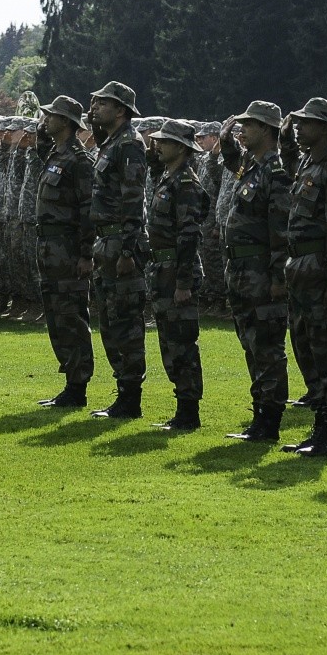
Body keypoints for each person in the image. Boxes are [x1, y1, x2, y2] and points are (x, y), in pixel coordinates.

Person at [280, 97, 327, 458]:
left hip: (321, 270)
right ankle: (320, 426)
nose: (298, 127)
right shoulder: (308, 163)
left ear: (325, 128)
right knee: (306, 346)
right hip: (301, 269)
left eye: (306, 122)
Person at [218, 101, 293, 442]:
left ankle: (271, 419)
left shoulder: (276, 173)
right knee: (251, 343)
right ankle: (260, 414)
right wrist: (226, 144)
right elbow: (234, 163)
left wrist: (279, 278)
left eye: (248, 125)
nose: (242, 129)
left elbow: (280, 230)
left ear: (266, 129)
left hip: (263, 272)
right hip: (242, 270)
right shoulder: (251, 166)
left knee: (267, 346)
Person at [86, 81, 150, 419]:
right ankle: (123, 393)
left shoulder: (129, 145)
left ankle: (131, 398)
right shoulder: (110, 142)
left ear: (121, 110)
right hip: (106, 242)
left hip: (121, 244)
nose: (95, 107)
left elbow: (133, 197)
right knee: (109, 320)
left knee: (125, 320)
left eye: (103, 103)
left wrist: (127, 249)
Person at [31, 96, 97, 407]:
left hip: (69, 248)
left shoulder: (79, 161)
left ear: (67, 122)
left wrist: (86, 254)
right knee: (56, 316)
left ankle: (78, 386)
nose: (46, 119)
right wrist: (39, 127)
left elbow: (88, 210)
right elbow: (39, 142)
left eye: (52, 116)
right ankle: (70, 381)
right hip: (49, 247)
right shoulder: (55, 155)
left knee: (71, 315)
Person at [145, 119, 209, 431]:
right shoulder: (168, 178)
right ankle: (182, 408)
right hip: (163, 269)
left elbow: (189, 236)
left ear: (181, 148)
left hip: (177, 271)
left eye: (164, 142)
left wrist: (183, 282)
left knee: (182, 342)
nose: (157, 145)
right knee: (169, 343)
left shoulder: (186, 185)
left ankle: (189, 411)